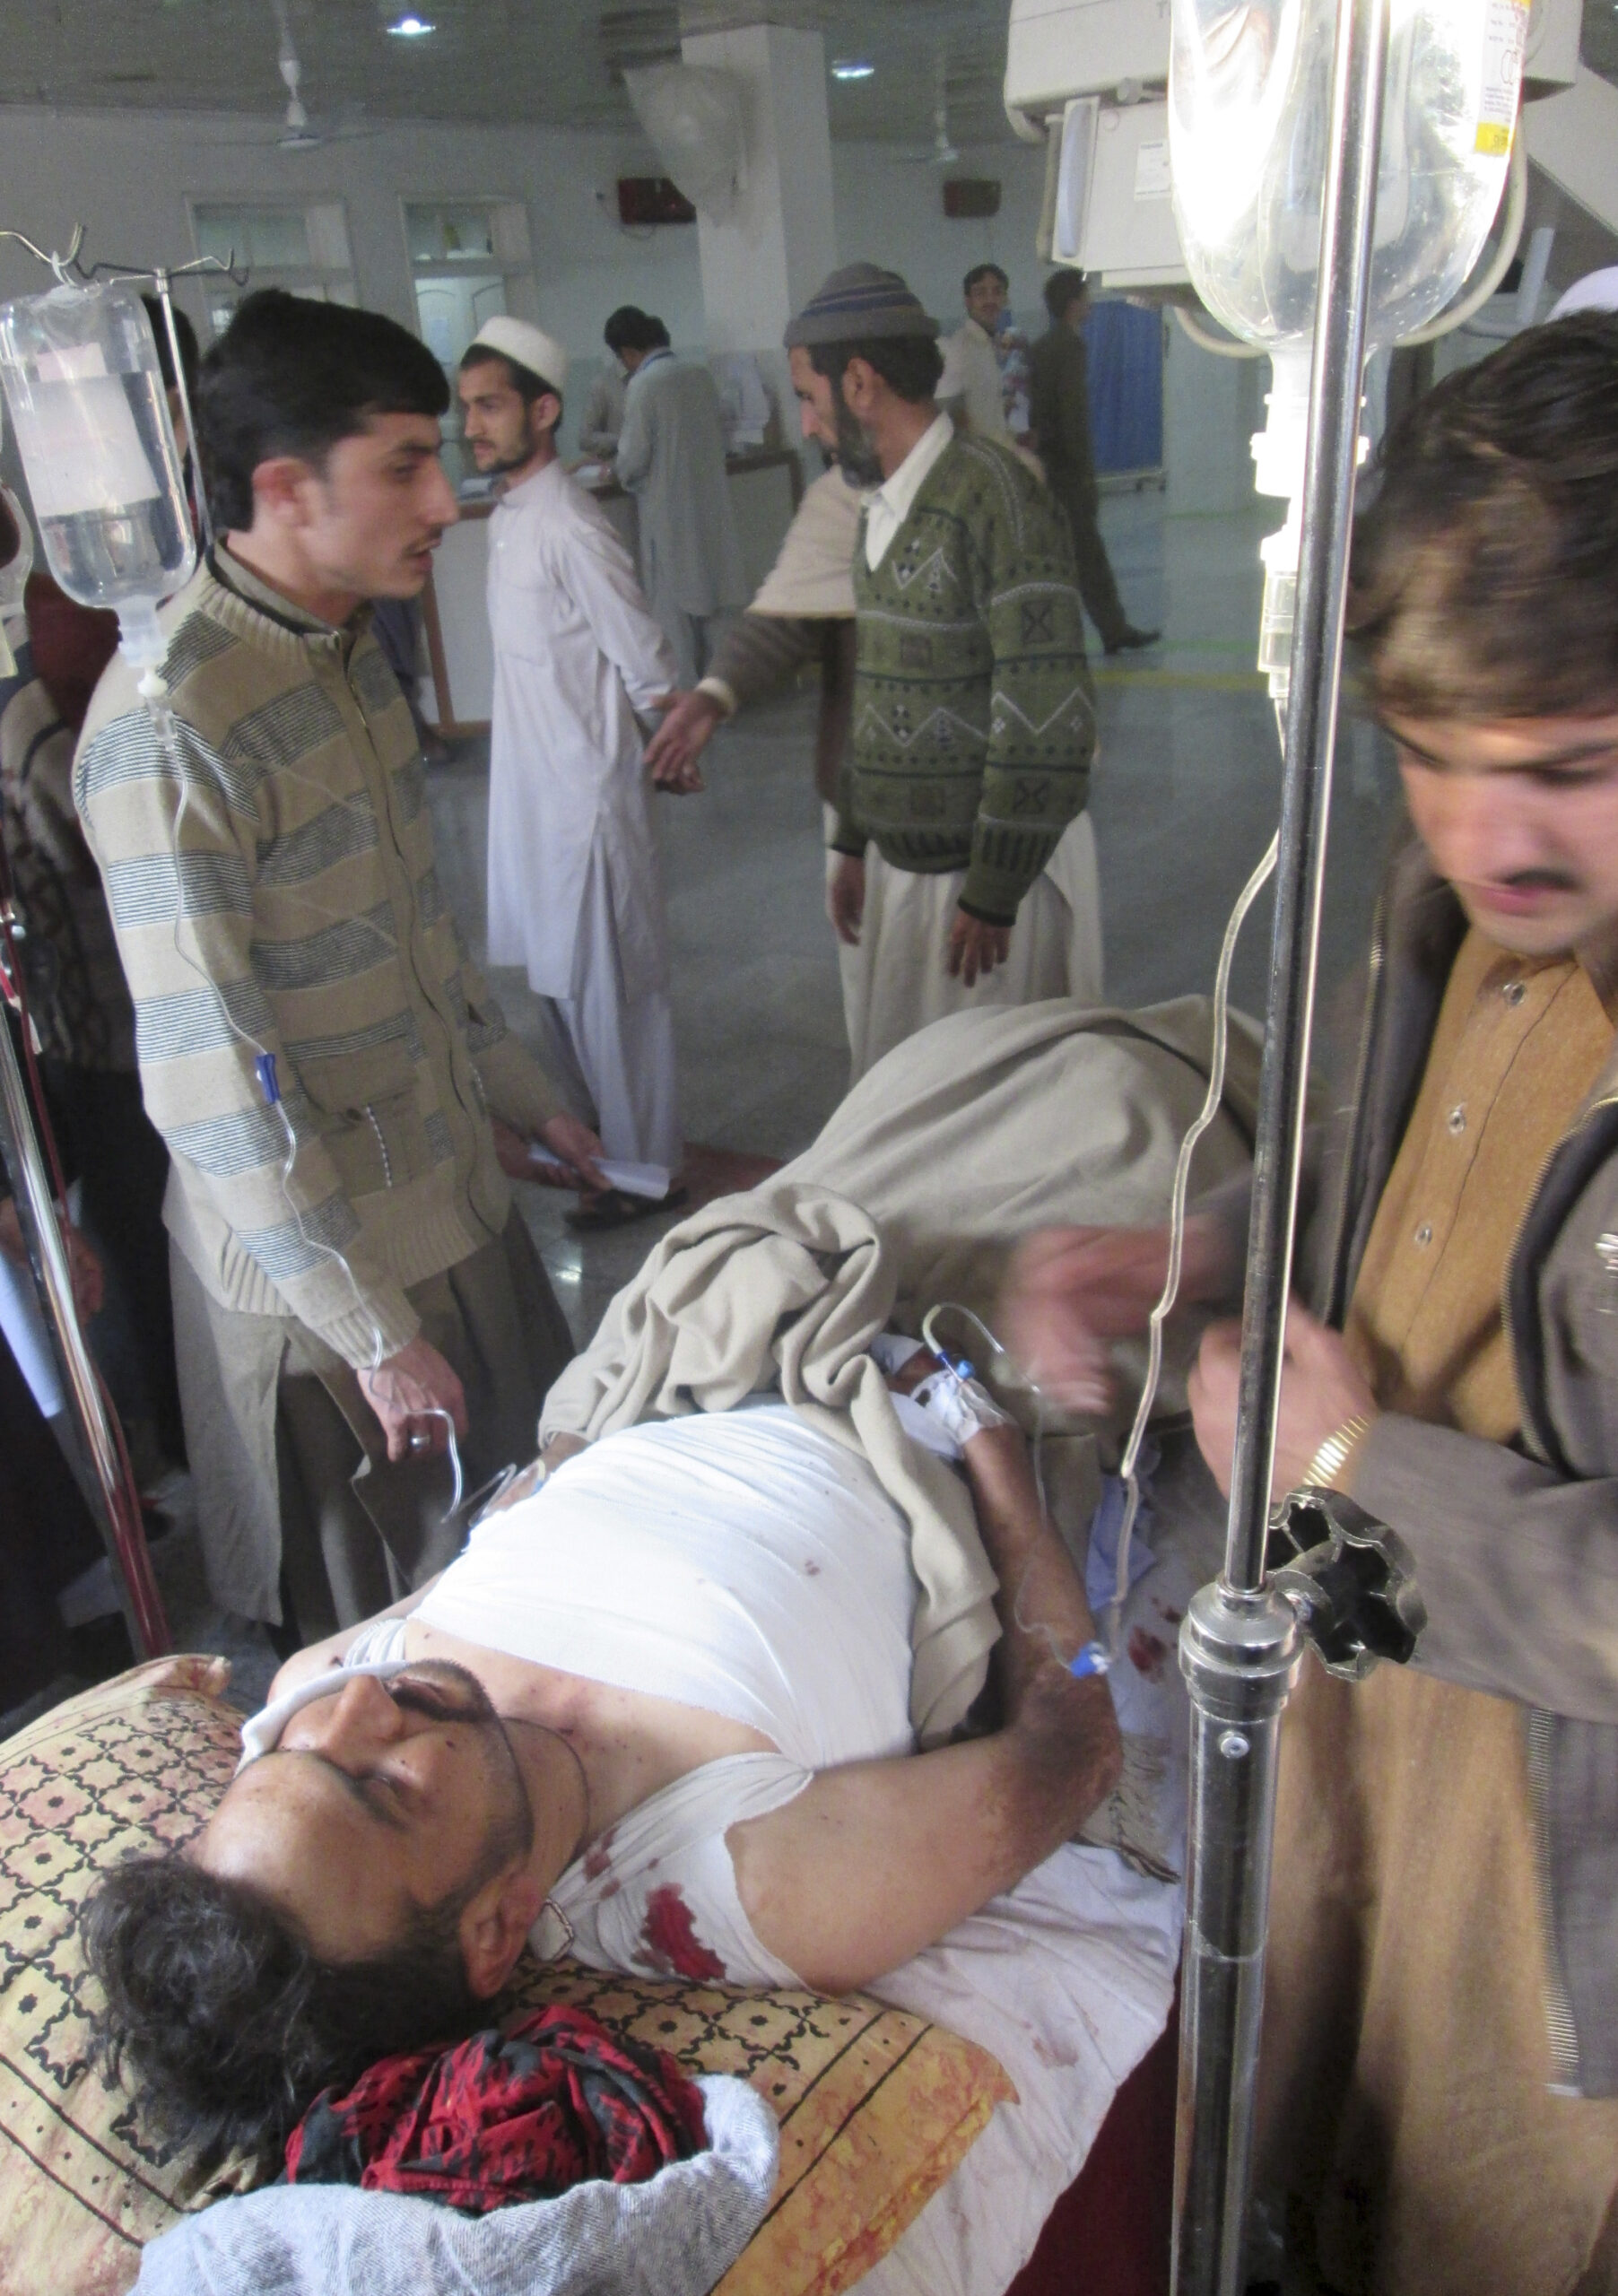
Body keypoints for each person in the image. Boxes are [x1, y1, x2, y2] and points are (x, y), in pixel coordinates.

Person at [1003, 315, 1618, 2295]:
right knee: (1328, 2116)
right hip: (1380, 1722)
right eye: (1429, 760)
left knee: (1485, 2207)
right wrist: (1199, 1250)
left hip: (1549, 1842)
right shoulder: (1460, 917)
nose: (1484, 832)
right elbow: (1409, 1167)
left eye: (1567, 769)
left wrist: (1347, 1462)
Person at [81, 1352, 1120, 2170]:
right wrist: (982, 1431)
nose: (360, 1701)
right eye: (383, 1786)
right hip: (925, 1402)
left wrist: (579, 1436)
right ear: (496, 1930)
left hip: (694, 1353)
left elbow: (502, 1539)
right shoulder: (756, 1872)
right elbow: (1073, 1747)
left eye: (286, 1746)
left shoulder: (330, 1679)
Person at [74, 289, 605, 1649]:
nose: (444, 500)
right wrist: (368, 1330)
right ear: (285, 488)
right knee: (393, 1638)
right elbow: (209, 1077)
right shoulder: (171, 723)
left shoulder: (345, 649)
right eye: (404, 466)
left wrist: (519, 1090)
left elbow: (414, 922)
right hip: (329, 1284)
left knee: (523, 1570)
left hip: (452, 1202)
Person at [782, 262, 1101, 1084]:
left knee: (987, 1113)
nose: (808, 426)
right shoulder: (881, 506)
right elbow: (880, 690)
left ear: (860, 384)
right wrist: (854, 837)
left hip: (984, 898)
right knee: (909, 1101)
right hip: (908, 882)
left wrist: (994, 889)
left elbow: (1047, 711)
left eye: (810, 399)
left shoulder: (997, 498)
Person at [457, 316, 684, 1222]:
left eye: (490, 406)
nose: (471, 426)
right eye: (466, 408)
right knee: (558, 992)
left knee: (611, 1000)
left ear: (543, 411)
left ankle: (649, 1174)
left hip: (587, 799)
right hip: (530, 798)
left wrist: (671, 741)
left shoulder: (569, 522)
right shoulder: (512, 515)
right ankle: (601, 1156)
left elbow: (643, 651)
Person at [610, 309, 746, 685]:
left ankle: (685, 701)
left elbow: (631, 460)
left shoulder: (644, 386)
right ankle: (722, 694)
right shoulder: (700, 376)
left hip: (668, 520)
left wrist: (616, 471)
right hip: (711, 512)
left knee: (674, 624)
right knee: (717, 609)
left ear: (627, 352)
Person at [1029, 273, 1158, 657]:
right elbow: (1071, 415)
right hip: (1066, 472)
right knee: (1087, 555)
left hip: (1050, 465)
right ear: (1073, 303)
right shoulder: (1068, 347)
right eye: (1086, 297)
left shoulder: (1043, 347)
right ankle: (1110, 630)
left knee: (1073, 556)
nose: (1090, 304)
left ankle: (1107, 628)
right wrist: (1082, 473)